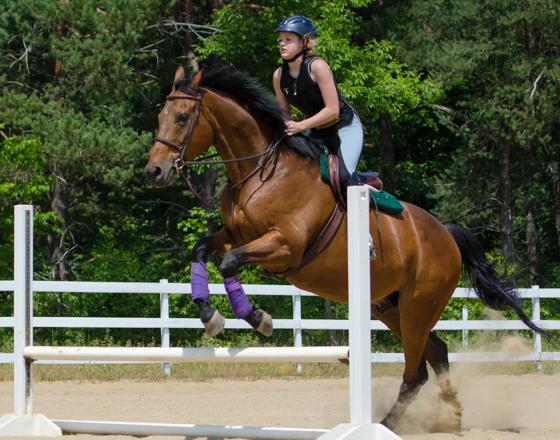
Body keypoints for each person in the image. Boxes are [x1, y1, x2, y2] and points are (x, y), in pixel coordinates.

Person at [272, 15, 364, 192]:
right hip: (316, 131)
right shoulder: (278, 76)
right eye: (280, 40)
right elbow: (284, 114)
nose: (282, 44)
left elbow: (332, 111)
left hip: (344, 128)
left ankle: (363, 206)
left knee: (344, 176)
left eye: (288, 39)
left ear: (304, 42)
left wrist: (300, 126)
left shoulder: (317, 66)